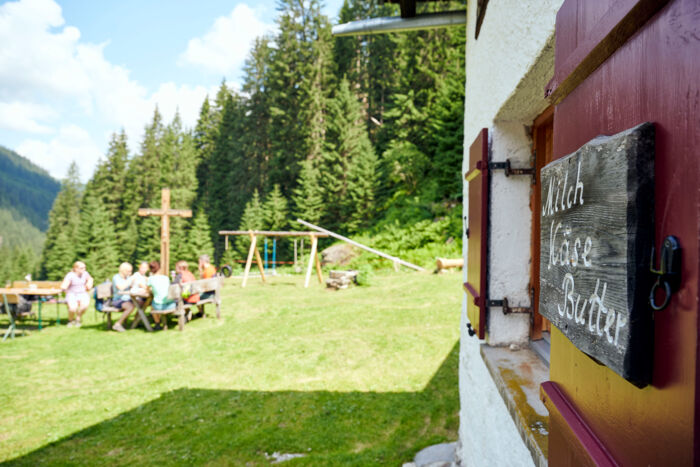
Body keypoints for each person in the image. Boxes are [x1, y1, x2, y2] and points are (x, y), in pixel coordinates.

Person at [60, 261, 93, 328]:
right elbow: (64, 286)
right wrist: (64, 288)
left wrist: (89, 284)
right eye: (81, 268)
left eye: (84, 268)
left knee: (85, 305)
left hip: (82, 293)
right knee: (73, 308)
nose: (84, 269)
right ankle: (70, 320)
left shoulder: (85, 274)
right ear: (76, 268)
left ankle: (78, 318)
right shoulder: (70, 275)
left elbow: (90, 279)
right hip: (72, 293)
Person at [147, 260, 175, 331]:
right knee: (156, 301)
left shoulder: (151, 279)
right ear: (159, 268)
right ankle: (159, 322)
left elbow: (147, 290)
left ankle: (157, 323)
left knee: (152, 305)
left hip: (161, 307)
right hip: (172, 305)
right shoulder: (166, 278)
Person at [111, 262, 134, 332]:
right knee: (130, 307)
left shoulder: (128, 277)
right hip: (118, 300)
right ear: (123, 270)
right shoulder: (116, 277)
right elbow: (121, 288)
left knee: (141, 303)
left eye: (131, 271)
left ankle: (135, 322)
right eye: (128, 271)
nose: (130, 273)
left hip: (128, 299)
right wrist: (130, 280)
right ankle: (118, 324)